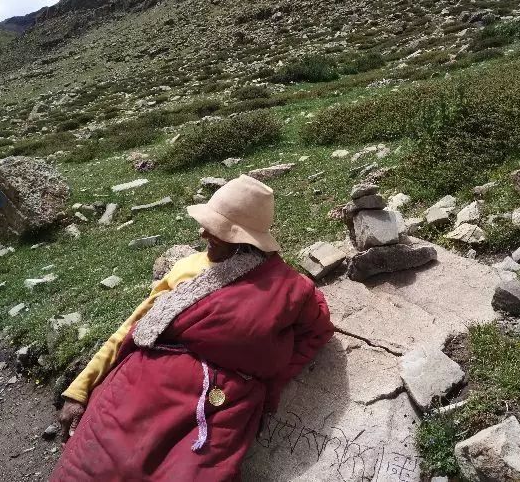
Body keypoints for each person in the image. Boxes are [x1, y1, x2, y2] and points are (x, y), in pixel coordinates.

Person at [51, 174, 335, 481]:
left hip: (211, 409)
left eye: (216, 228)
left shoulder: (290, 288)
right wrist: (79, 390)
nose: (202, 232)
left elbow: (317, 332)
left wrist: (268, 378)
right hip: (132, 396)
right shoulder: (186, 268)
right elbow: (133, 327)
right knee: (89, 469)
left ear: (243, 237)